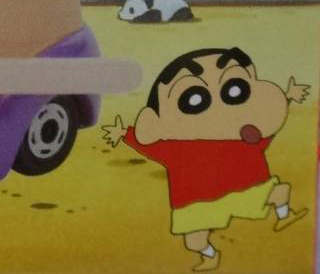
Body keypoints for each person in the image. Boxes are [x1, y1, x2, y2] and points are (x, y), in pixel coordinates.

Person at [103, 47, 309, 272]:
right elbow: (148, 144)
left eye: (235, 89)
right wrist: (125, 133)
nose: (219, 108)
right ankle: (211, 255)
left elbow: (269, 124)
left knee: (276, 193)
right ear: (156, 120)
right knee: (194, 241)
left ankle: (284, 214)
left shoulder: (243, 137)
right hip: (196, 202)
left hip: (243, 189)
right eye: (193, 99)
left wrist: (287, 98)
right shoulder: (177, 148)